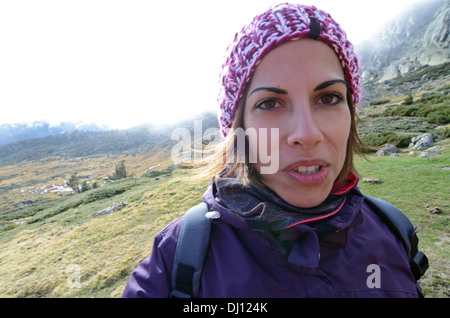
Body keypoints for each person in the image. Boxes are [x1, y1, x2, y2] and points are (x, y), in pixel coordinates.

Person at [122, 3, 424, 298]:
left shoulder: (394, 231)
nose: (306, 134)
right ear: (239, 129)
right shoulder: (177, 260)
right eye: (269, 103)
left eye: (329, 98)